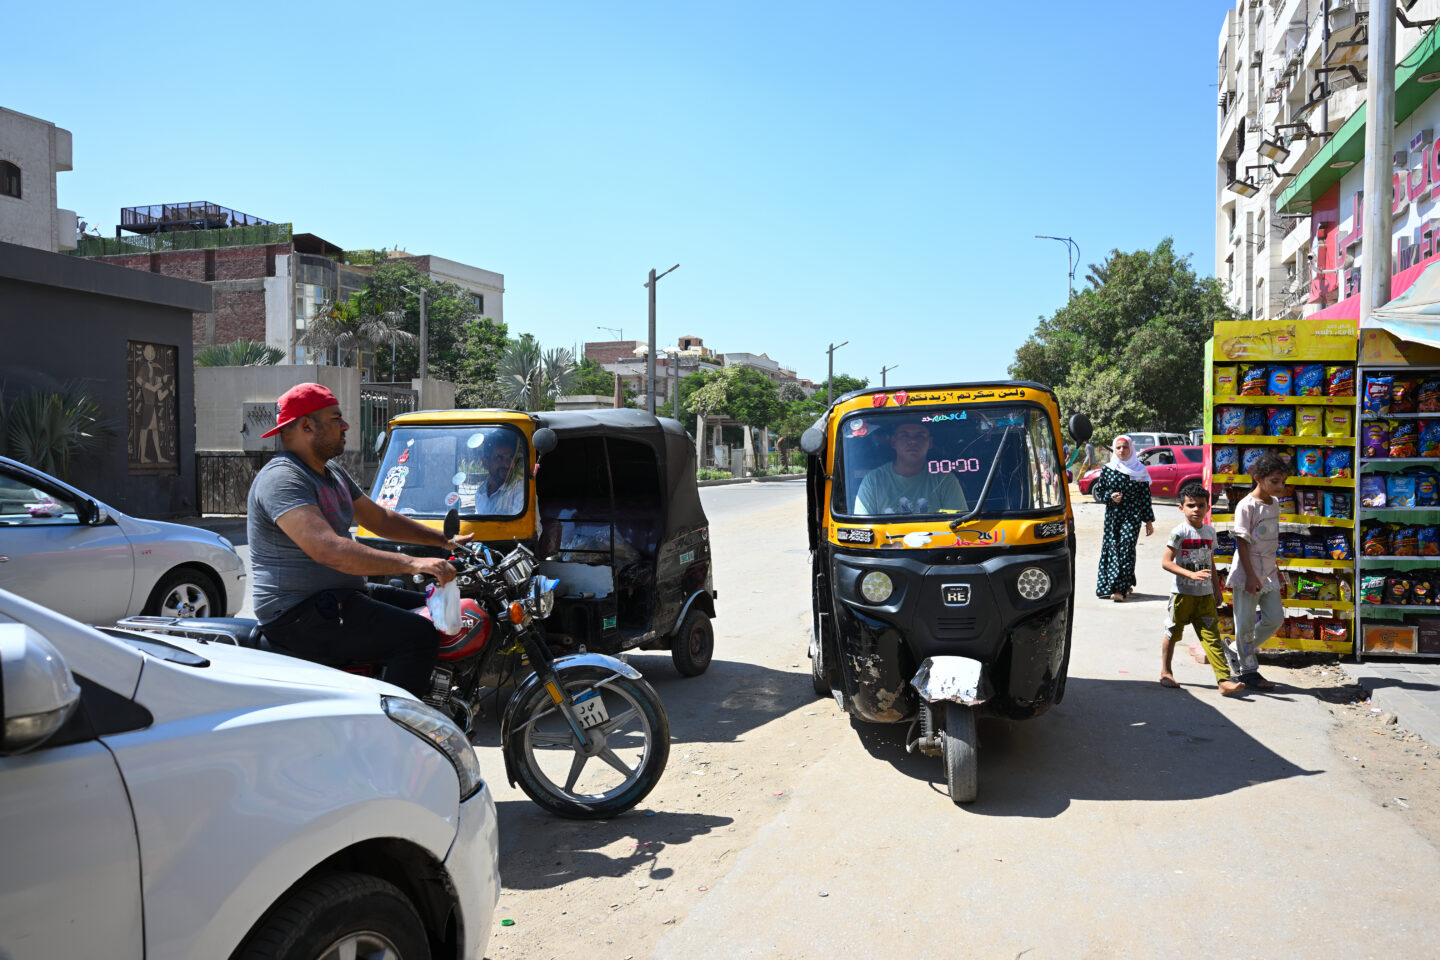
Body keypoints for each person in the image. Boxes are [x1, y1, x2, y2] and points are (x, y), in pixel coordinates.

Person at [247, 383, 469, 698]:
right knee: (417, 634)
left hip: (339, 595)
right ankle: (394, 723)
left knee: (432, 608)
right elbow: (329, 550)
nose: (346, 425)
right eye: (335, 418)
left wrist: (445, 541)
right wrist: (413, 563)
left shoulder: (331, 473)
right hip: (297, 612)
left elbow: (381, 520)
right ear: (307, 426)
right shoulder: (283, 478)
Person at [1159, 480, 1245, 696]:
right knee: (1173, 632)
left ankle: (1223, 680)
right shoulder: (1179, 532)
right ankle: (1166, 672)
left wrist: (1217, 588)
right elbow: (1166, 562)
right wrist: (1190, 574)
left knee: (1212, 637)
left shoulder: (1209, 532)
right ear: (1181, 508)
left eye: (1200, 505)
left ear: (1208, 507)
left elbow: (1210, 562)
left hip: (1205, 596)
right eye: (1190, 505)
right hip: (1182, 595)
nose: (1196, 509)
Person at [1226, 452, 1287, 691]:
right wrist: (1250, 576)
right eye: (1275, 481)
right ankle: (1249, 671)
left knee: (1275, 618)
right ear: (1258, 478)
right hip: (1247, 573)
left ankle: (1236, 649)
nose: (1280, 487)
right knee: (1245, 625)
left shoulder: (1275, 504)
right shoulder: (1246, 505)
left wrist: (1277, 569)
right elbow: (1242, 543)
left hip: (1269, 572)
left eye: (1283, 481)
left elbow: (1270, 542)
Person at [853, 420, 968, 515]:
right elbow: (863, 527)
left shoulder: (945, 480)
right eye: (905, 435)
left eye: (920, 435)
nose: (912, 441)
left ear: (930, 443)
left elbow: (958, 524)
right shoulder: (873, 480)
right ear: (893, 442)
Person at [1091, 434, 1154, 601]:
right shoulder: (1108, 469)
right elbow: (1100, 491)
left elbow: (1145, 497)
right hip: (1113, 515)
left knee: (1126, 548)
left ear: (1131, 449)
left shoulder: (1139, 470)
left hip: (1132, 514)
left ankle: (1120, 589)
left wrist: (1148, 521)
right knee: (1112, 548)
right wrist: (1110, 497)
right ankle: (1114, 585)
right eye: (1118, 447)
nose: (1121, 450)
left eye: (1125, 447)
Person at [474, 431, 524, 515]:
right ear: (485, 463)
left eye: (510, 458)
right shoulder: (481, 492)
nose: (507, 465)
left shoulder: (519, 491)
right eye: (499, 458)